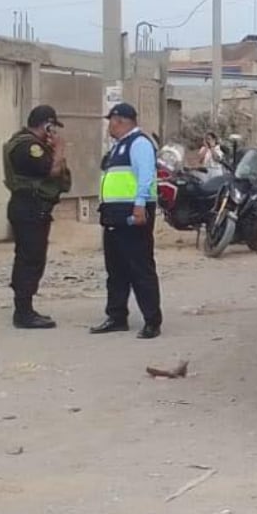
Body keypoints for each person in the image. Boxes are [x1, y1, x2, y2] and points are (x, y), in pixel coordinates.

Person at [91, 103, 164, 339]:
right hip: (114, 215)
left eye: (111, 120)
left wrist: (140, 204)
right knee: (116, 269)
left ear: (120, 120)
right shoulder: (118, 147)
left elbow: (146, 175)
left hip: (134, 213)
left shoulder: (139, 143)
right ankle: (116, 316)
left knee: (140, 267)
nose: (109, 125)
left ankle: (152, 320)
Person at [3, 104, 71, 329]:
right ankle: (23, 312)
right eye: (53, 127)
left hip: (31, 207)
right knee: (30, 259)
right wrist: (59, 149)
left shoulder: (28, 143)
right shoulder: (29, 146)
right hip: (30, 207)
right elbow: (51, 171)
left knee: (30, 257)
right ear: (47, 124)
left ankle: (25, 308)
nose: (55, 133)